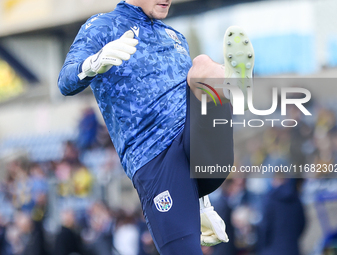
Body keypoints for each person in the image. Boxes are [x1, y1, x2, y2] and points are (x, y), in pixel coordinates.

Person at [58, 0, 254, 254]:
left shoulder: (173, 36)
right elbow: (65, 82)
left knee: (202, 66)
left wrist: (203, 204)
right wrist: (93, 64)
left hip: (197, 148)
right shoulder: (101, 26)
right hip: (156, 161)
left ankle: (234, 85)